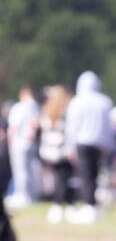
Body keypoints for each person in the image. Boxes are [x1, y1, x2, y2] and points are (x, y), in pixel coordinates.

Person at [65, 71, 114, 222]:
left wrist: (70, 145)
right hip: (99, 144)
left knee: (86, 176)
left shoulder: (77, 102)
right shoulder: (105, 101)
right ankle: (93, 206)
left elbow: (72, 127)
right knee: (94, 176)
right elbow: (108, 127)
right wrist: (108, 144)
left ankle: (89, 206)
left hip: (82, 143)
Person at [38, 86, 74, 222]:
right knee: (64, 180)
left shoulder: (46, 111)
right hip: (62, 152)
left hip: (49, 152)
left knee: (59, 180)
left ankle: (66, 205)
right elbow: (69, 133)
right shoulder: (65, 113)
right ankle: (59, 206)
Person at [6, 87, 40, 208]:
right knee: (29, 170)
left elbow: (14, 127)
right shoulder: (35, 108)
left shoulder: (19, 107)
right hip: (30, 144)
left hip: (19, 143)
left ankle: (22, 195)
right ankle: (30, 195)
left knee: (20, 171)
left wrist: (10, 141)